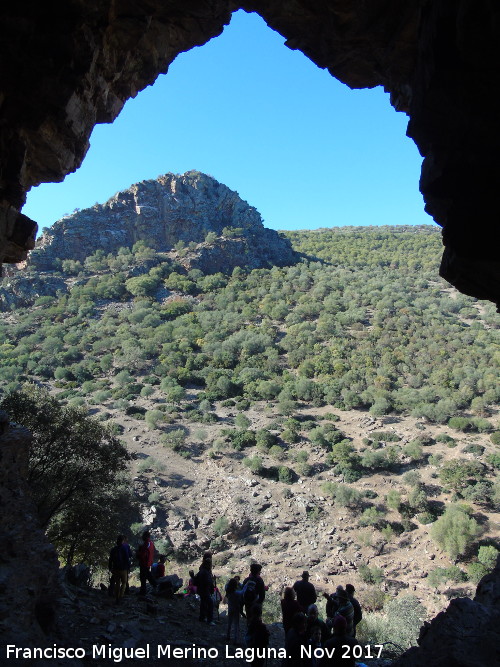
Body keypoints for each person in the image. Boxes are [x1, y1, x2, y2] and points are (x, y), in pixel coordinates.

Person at [108, 534, 130, 603]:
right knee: (124, 583)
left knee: (117, 583)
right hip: (123, 569)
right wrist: (128, 567)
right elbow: (127, 558)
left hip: (115, 568)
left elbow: (110, 559)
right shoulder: (124, 548)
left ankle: (117, 597)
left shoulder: (113, 549)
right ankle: (121, 596)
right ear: (122, 541)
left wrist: (110, 567)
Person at [197, 556, 215, 625]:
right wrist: (212, 581)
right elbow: (207, 581)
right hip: (205, 590)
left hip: (202, 590)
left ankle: (202, 617)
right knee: (210, 603)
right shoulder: (205, 572)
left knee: (203, 603)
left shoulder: (202, 571)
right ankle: (209, 620)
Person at [137, 530, 156, 596]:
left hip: (144, 563)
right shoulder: (151, 543)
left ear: (145, 536)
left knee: (143, 577)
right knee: (148, 575)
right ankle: (155, 585)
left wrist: (138, 553)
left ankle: (143, 591)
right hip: (148, 562)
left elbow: (143, 554)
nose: (142, 537)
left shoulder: (146, 543)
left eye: (143, 536)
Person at [225, 577, 242, 644]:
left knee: (229, 622)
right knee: (236, 624)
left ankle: (228, 635)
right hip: (236, 608)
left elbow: (226, 586)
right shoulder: (237, 593)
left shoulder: (228, 592)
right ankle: (235, 639)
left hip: (230, 608)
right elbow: (243, 591)